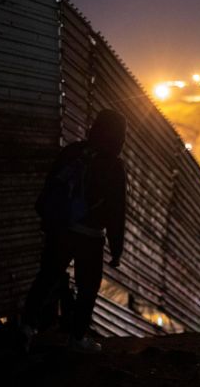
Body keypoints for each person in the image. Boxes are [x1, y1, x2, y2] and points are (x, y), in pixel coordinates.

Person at [20, 109, 127, 354]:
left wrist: (48, 220)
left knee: (46, 278)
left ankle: (25, 329)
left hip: (60, 230)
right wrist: (117, 247)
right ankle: (77, 339)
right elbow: (116, 211)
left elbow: (50, 186)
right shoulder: (113, 166)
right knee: (87, 287)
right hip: (90, 237)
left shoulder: (73, 152)